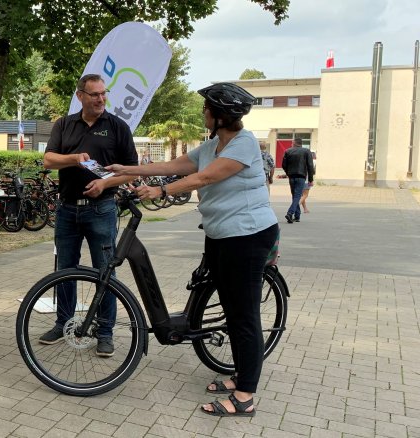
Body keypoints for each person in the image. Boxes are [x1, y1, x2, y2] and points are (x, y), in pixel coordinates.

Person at [109, 82, 279, 417]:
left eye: (206, 108)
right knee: (231, 310)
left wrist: (160, 193)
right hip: (220, 236)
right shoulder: (214, 143)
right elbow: (174, 166)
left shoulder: (243, 145)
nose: (203, 112)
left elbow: (202, 179)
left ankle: (245, 396)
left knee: (244, 316)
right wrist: (127, 169)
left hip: (247, 237)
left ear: (220, 115)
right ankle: (239, 376)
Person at [39, 73, 138, 358]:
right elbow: (48, 160)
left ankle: (105, 332)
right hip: (68, 208)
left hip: (102, 209)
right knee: (64, 270)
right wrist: (74, 157)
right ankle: (63, 323)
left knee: (105, 272)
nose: (100, 99)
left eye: (104, 93)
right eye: (94, 94)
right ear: (80, 95)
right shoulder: (64, 124)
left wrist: (105, 183)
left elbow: (130, 170)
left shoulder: (117, 126)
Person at [281, 138, 315, 223]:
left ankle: (297, 216)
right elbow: (310, 166)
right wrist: (310, 179)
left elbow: (283, 165)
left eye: (292, 143)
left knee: (294, 196)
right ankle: (290, 213)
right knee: (297, 196)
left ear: (294, 143)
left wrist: (288, 173)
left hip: (291, 176)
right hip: (301, 176)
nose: (291, 144)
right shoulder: (307, 151)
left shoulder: (288, 151)